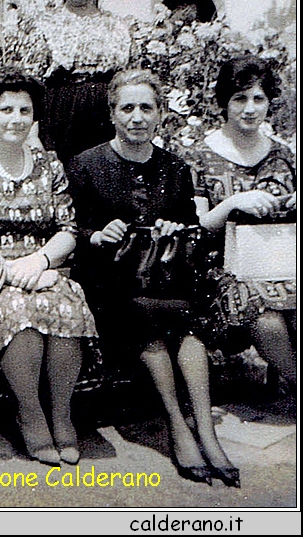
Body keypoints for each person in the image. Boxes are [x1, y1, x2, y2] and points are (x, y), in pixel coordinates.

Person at [68, 69, 239, 486]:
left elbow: (189, 231)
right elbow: (75, 231)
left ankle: (207, 431)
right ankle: (178, 428)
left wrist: (172, 228)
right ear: (112, 114)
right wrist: (98, 234)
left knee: (187, 322)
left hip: (166, 280)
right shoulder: (86, 165)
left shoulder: (175, 169)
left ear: (161, 114)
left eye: (147, 107)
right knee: (148, 320)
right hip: (111, 287)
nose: (137, 117)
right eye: (127, 107)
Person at [0, 68, 97, 465]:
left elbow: (68, 229)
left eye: (24, 110)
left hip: (41, 269)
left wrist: (40, 260)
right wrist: (16, 273)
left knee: (67, 302)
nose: (16, 118)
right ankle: (30, 412)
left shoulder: (49, 164)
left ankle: (62, 414)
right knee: (18, 311)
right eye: (5, 108)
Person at [186, 56, 296, 389]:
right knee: (266, 319)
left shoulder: (284, 155)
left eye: (258, 99)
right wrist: (233, 202)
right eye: (240, 98)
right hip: (225, 270)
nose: (249, 108)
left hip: (283, 261)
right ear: (224, 102)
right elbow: (198, 225)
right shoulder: (197, 156)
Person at [31, 0, 134, 166]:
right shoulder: (46, 24)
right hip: (61, 114)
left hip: (105, 113)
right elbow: (33, 82)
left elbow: (126, 75)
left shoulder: (115, 24)